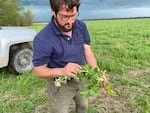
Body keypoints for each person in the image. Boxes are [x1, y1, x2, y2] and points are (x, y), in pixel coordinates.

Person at [32, 0, 107, 113]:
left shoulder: (81, 26)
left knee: (83, 106)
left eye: (73, 15)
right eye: (65, 16)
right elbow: (38, 70)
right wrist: (62, 71)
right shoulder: (43, 38)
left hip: (81, 77)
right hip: (59, 84)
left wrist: (98, 73)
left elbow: (87, 50)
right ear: (53, 11)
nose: (70, 21)